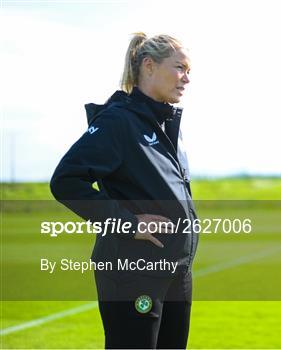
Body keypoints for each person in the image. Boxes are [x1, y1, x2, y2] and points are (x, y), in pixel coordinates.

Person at [50, 32, 197, 349]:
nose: (186, 78)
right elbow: (66, 181)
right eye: (180, 67)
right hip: (133, 273)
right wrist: (129, 223)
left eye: (189, 71)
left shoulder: (164, 123)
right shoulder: (119, 121)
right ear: (148, 65)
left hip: (175, 270)